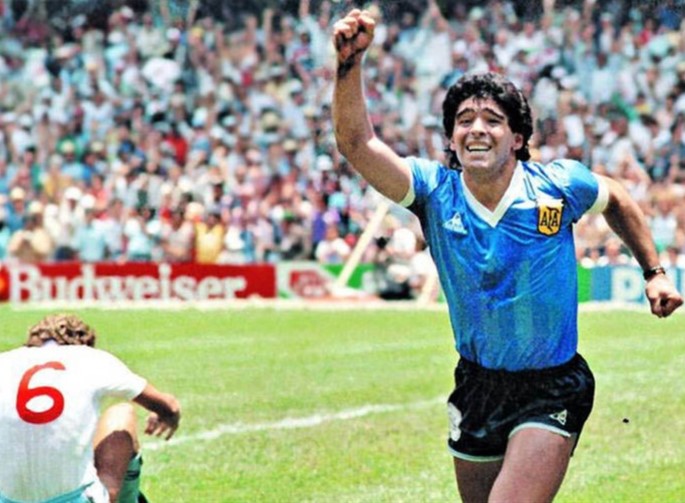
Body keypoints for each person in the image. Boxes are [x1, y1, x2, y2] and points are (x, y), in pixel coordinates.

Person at [331, 8, 683, 503]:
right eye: (464, 121)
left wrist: (655, 272)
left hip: (551, 387)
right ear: (451, 139)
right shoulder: (434, 192)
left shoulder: (558, 186)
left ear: (517, 139)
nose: (476, 129)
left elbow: (618, 198)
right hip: (477, 386)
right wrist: (350, 65)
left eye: (492, 120)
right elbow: (356, 143)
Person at [0, 313, 181, 503]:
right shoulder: (89, 358)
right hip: (74, 499)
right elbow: (168, 407)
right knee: (121, 413)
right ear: (84, 343)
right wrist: (167, 414)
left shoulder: (4, 361)